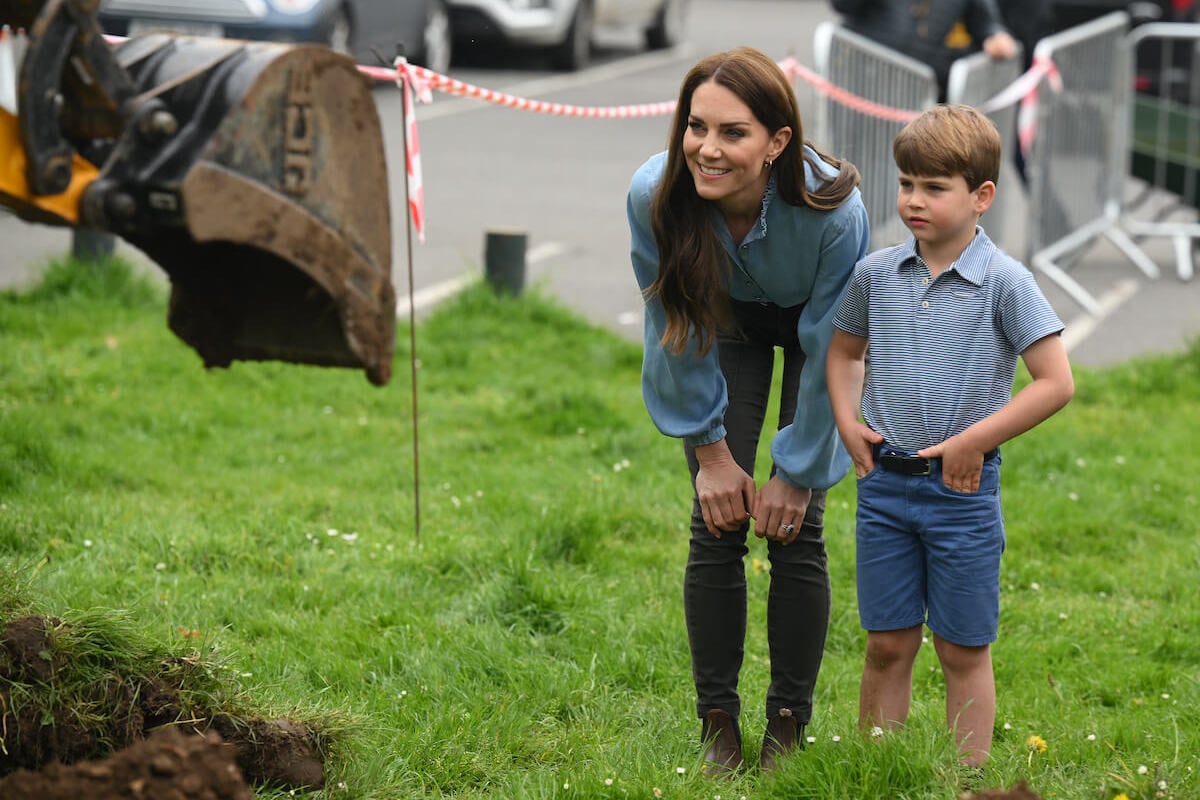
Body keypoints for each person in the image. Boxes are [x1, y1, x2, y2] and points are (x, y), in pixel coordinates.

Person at [626, 47, 870, 775]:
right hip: (721, 322)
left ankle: (788, 729)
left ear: (777, 142)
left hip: (813, 332)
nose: (707, 148)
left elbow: (837, 348)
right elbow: (673, 326)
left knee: (799, 526)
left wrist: (797, 472)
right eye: (696, 127)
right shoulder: (654, 194)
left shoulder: (834, 210)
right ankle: (718, 728)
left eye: (733, 133)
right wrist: (710, 453)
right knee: (717, 516)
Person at [825, 104, 1074, 767]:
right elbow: (845, 353)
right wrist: (848, 421)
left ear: (981, 196)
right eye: (907, 183)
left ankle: (969, 779)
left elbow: (1055, 381)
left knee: (962, 649)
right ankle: (881, 770)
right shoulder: (875, 275)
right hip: (884, 491)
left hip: (962, 496)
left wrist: (972, 440)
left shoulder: (1006, 282)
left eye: (934, 187)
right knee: (886, 643)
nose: (913, 200)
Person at [830, 0, 1018, 101]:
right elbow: (841, 4)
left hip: (922, 97)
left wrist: (995, 36)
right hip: (863, 88)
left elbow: (985, 23)